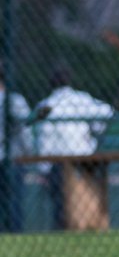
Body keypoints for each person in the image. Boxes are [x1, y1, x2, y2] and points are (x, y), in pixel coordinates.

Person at [33, 65, 114, 230]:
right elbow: (107, 111)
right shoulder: (81, 99)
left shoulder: (46, 105)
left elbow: (44, 141)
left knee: (61, 209)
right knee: (85, 202)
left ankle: (63, 230)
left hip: (58, 163)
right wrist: (95, 130)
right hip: (83, 159)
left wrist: (43, 170)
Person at [0, 65, 33, 232]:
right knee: (13, 203)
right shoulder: (14, 100)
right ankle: (14, 235)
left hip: (11, 159)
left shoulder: (14, 101)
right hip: (13, 160)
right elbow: (25, 131)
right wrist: (28, 153)